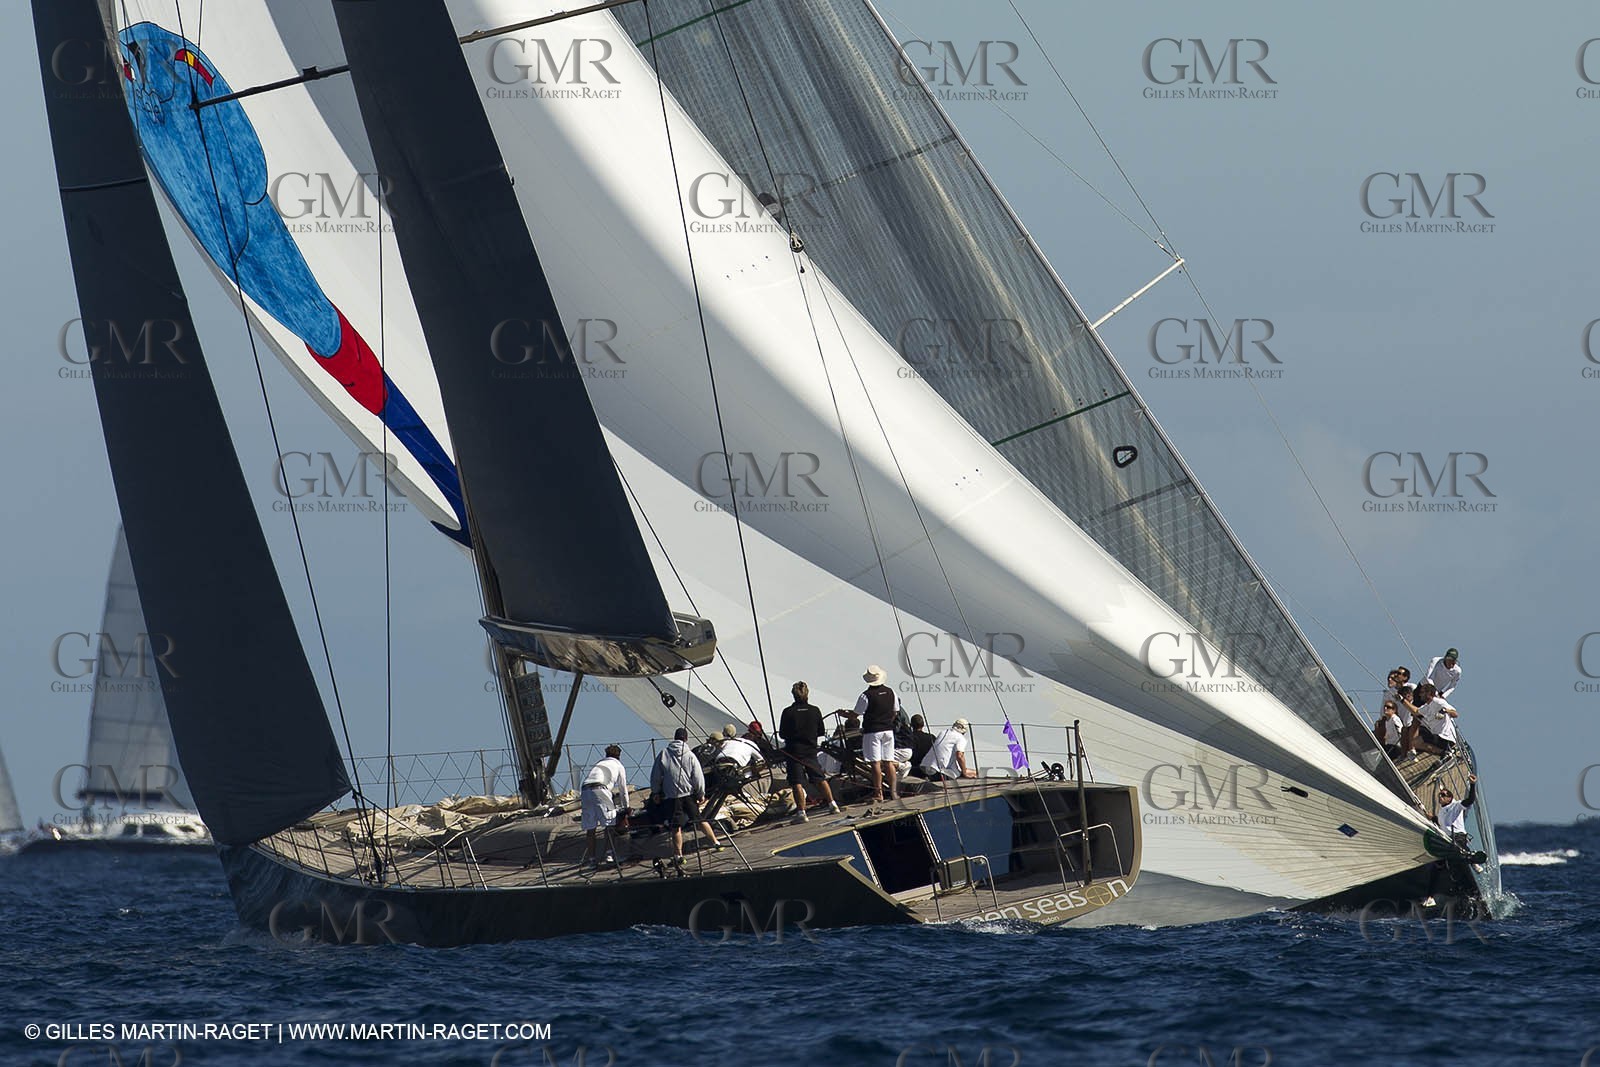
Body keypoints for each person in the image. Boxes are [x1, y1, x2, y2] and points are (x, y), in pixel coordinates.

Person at [650, 728, 725, 865]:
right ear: (686, 739)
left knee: (675, 827)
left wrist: (655, 792)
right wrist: (701, 793)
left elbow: (655, 776)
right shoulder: (690, 755)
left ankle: (679, 856)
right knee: (699, 820)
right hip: (689, 794)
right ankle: (716, 842)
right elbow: (697, 776)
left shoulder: (663, 754)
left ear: (674, 738)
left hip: (672, 796)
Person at [778, 682, 841, 823]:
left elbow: (782, 734)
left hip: (794, 751)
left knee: (796, 782)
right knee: (819, 778)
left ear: (793, 695)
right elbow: (820, 731)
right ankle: (833, 804)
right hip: (810, 750)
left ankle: (801, 812)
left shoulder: (788, 712)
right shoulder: (815, 710)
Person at [855, 665, 903, 802]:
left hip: (872, 732)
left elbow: (856, 714)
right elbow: (895, 711)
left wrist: (844, 714)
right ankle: (894, 793)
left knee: (875, 763)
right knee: (888, 762)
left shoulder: (866, 695)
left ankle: (878, 793)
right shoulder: (891, 692)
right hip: (888, 730)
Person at [579, 744, 628, 867]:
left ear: (606, 755)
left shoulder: (600, 763)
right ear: (619, 756)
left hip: (585, 790)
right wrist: (626, 807)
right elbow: (623, 789)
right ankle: (610, 855)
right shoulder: (618, 765)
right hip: (601, 790)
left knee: (591, 828)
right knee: (610, 824)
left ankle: (591, 861)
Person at [1410, 682, 1461, 755]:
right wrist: (1402, 700)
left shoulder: (1438, 701)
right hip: (1438, 737)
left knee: (1418, 742)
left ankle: (1446, 753)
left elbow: (1455, 714)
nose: (1420, 694)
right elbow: (1415, 711)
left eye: (1422, 692)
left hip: (1445, 737)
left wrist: (1444, 711)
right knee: (1415, 743)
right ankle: (1444, 753)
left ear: (1429, 693)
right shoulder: (1427, 706)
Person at [1433, 775, 1479, 849]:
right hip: (1447, 839)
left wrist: (1472, 784)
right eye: (1439, 795)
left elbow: (1470, 800)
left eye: (1443, 795)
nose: (1440, 797)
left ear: (1449, 798)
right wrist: (1432, 817)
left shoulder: (1457, 805)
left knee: (1461, 852)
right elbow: (1441, 823)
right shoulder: (1441, 811)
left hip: (1458, 837)